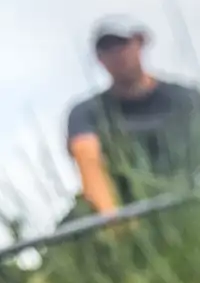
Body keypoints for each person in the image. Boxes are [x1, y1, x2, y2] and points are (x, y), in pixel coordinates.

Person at [66, 15, 200, 217]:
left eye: (122, 44)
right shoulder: (86, 113)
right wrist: (112, 221)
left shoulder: (187, 99)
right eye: (107, 49)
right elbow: (88, 161)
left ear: (140, 42)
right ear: (99, 59)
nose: (117, 54)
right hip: (127, 212)